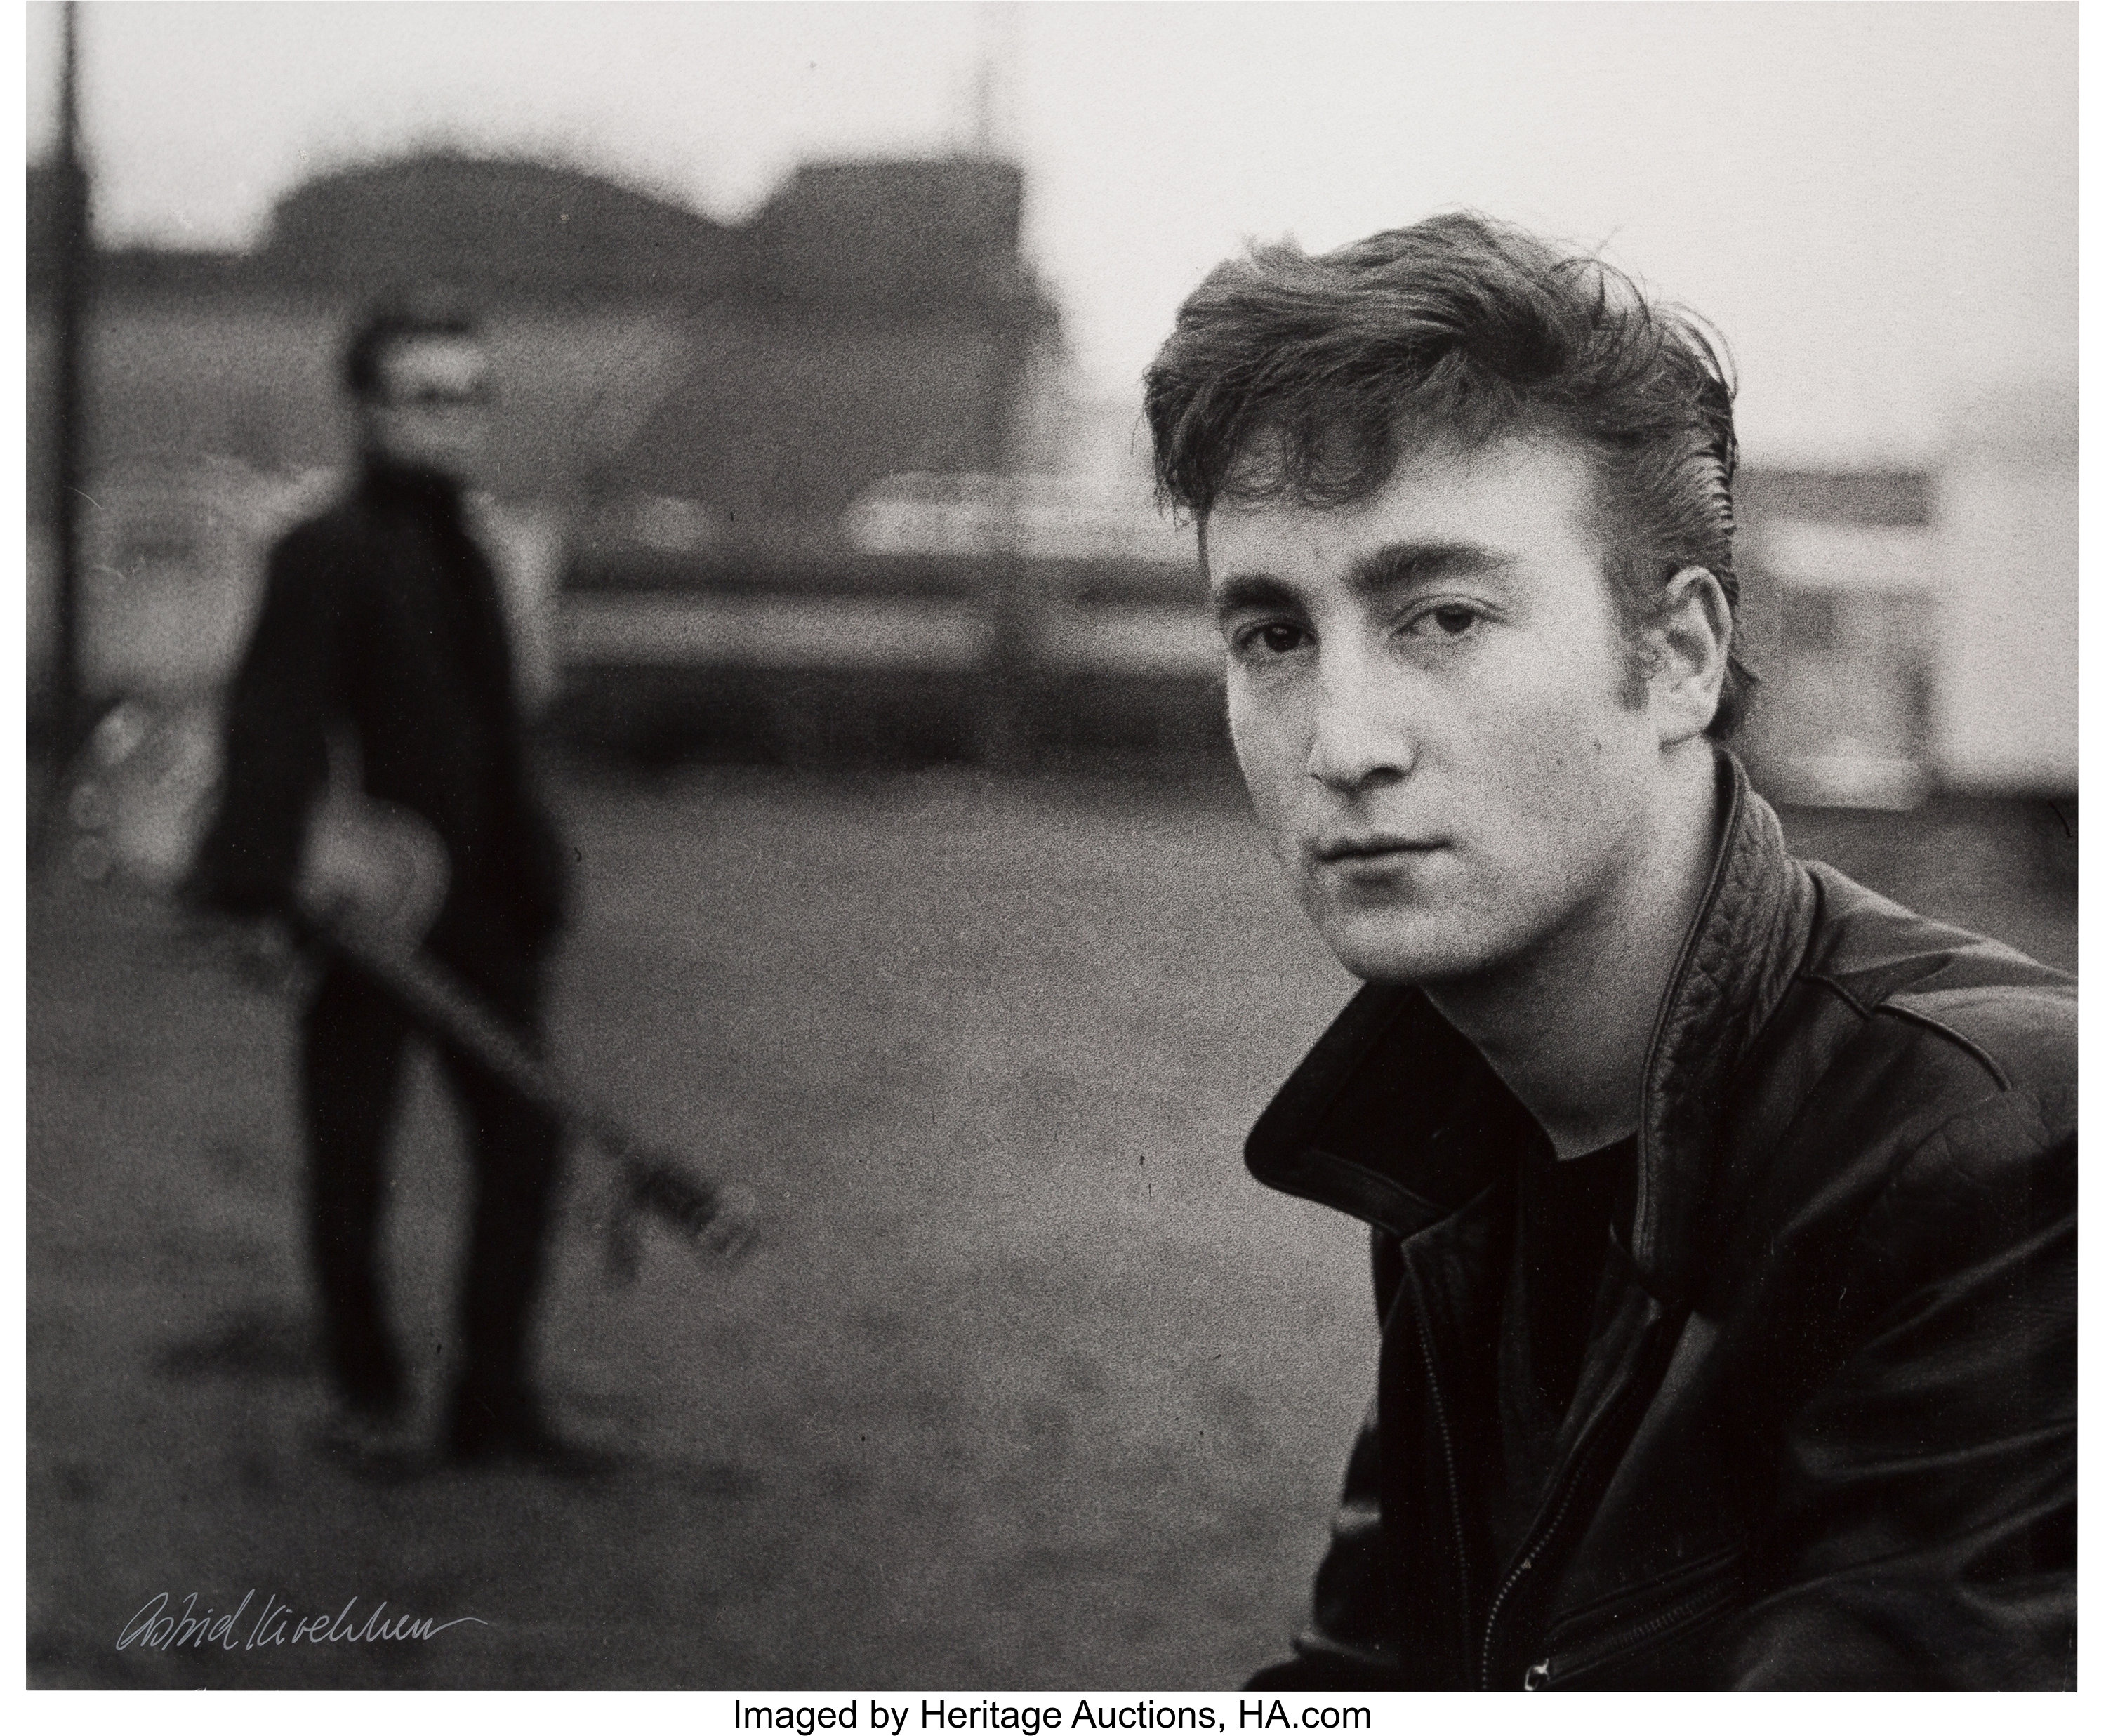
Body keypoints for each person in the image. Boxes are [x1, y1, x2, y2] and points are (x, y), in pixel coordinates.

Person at [1143, 213, 2074, 1689]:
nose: (1343, 742)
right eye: (1272, 635)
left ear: (1681, 656)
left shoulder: (2001, 1157)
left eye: (1443, 616)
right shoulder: (1470, 1122)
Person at [190, 296, 587, 1473]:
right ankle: (369, 1396)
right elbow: (275, 728)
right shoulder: (323, 551)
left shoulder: (478, 552)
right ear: (366, 409)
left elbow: (501, 737)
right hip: (370, 902)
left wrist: (533, 869)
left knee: (527, 1141)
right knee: (352, 1155)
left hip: (482, 907)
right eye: (426, 395)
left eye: (471, 394)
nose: (452, 418)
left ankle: (492, 1399)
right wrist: (271, 885)